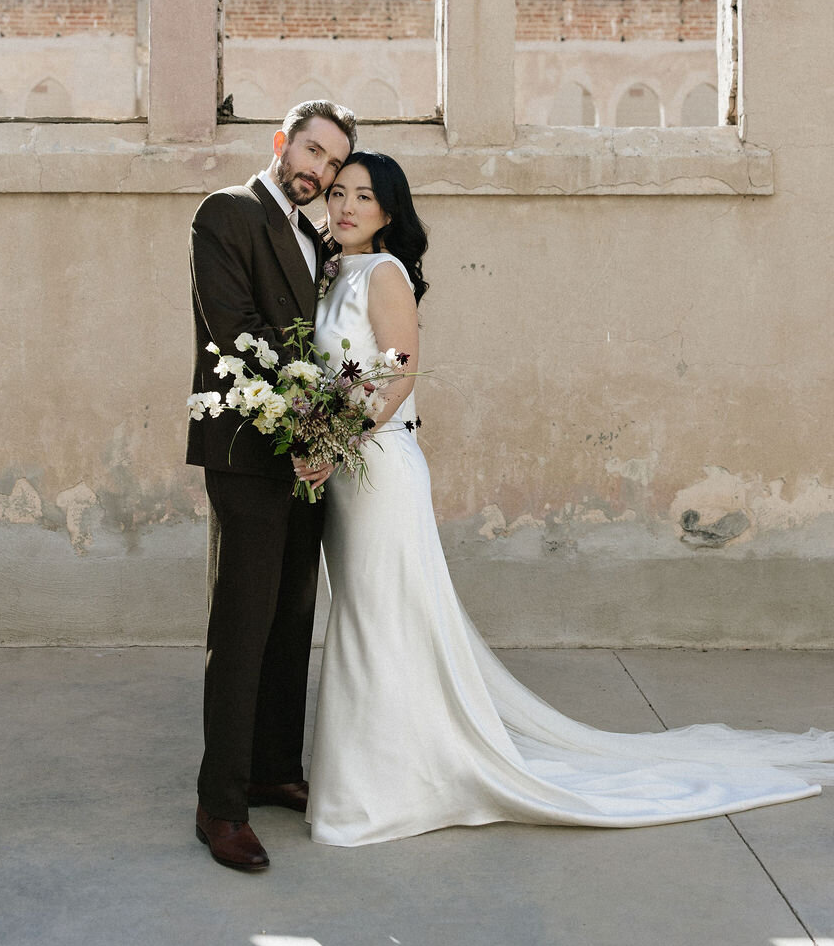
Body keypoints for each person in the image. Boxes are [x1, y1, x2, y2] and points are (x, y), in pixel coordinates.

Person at [303, 150, 834, 847]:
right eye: (338, 193)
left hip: (376, 465)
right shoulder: (330, 271)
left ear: (389, 211)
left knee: (380, 619)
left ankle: (384, 788)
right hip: (344, 472)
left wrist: (336, 441)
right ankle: (386, 768)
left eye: (364, 197)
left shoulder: (384, 272)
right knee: (366, 613)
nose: (346, 207)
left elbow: (397, 374)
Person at [187, 98, 356, 871]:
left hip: (307, 455)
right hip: (248, 452)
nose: (319, 170)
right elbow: (237, 332)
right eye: (312, 151)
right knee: (243, 625)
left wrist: (325, 436)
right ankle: (220, 804)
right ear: (283, 142)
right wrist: (307, 424)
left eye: (333, 162)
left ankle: (272, 768)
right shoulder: (226, 213)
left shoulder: (318, 240)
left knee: (293, 617)